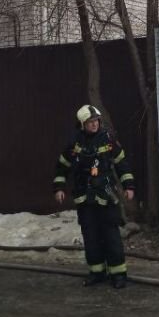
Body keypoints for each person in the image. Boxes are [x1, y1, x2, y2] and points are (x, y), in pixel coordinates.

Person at [53, 104, 135, 288]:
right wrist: (59, 188)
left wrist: (128, 186)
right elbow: (62, 167)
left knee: (111, 235)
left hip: (106, 196)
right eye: (90, 122)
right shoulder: (74, 144)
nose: (94, 125)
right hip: (85, 198)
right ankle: (97, 272)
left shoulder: (108, 140)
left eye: (96, 121)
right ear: (82, 124)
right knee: (90, 236)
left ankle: (119, 274)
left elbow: (122, 164)